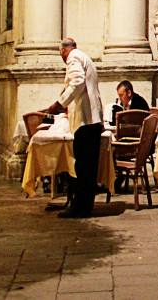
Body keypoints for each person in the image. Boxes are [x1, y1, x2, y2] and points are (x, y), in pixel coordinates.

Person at [44, 39, 103, 218]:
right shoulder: (84, 57)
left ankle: (80, 208)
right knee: (88, 167)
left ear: (63, 51)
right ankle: (84, 206)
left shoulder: (73, 58)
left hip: (86, 121)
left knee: (83, 166)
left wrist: (60, 103)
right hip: (92, 119)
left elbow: (77, 81)